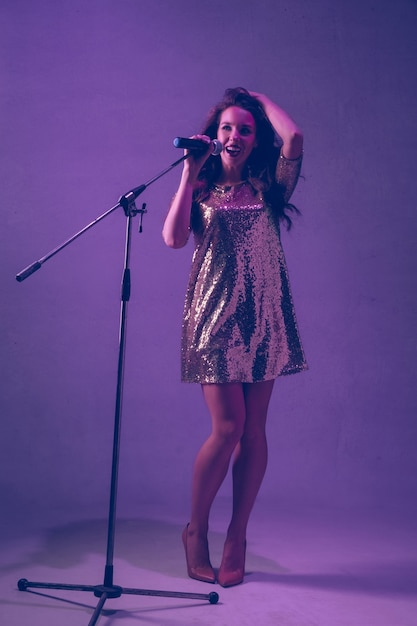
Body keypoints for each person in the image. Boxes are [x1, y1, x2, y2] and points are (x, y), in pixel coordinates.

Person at [162, 87, 307, 587]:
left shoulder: (270, 189)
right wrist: (188, 171)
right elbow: (174, 239)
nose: (234, 136)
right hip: (214, 322)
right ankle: (195, 530)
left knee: (253, 432)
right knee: (227, 429)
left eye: (244, 129)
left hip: (264, 319)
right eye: (226, 127)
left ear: (254, 139)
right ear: (213, 134)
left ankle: (237, 536)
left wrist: (255, 98)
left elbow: (294, 137)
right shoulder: (200, 191)